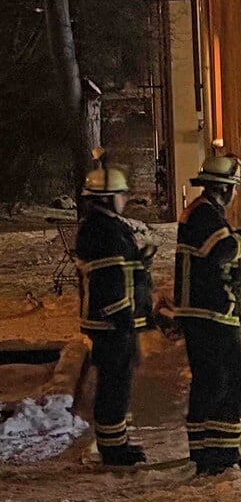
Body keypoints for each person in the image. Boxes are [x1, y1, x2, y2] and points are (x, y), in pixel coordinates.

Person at [174, 154, 241, 474]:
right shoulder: (204, 215)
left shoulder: (199, 212)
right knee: (238, 379)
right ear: (224, 189)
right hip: (209, 313)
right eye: (234, 188)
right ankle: (221, 455)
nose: (235, 194)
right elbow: (221, 252)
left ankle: (210, 454)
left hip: (203, 313)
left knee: (210, 382)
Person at [76, 158, 153, 466]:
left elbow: (123, 268)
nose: (125, 200)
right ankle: (112, 448)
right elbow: (109, 279)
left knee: (118, 383)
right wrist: (122, 317)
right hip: (113, 322)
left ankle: (116, 441)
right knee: (113, 385)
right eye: (121, 195)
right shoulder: (103, 231)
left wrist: (141, 257)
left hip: (115, 321)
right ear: (108, 198)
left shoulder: (106, 227)